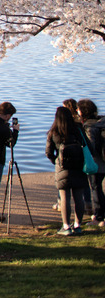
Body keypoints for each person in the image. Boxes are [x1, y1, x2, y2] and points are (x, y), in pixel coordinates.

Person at [45, 105, 86, 235]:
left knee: (64, 198)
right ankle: (78, 225)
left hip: (63, 168)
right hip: (79, 167)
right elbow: (87, 146)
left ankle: (66, 226)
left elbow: (48, 152)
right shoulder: (78, 129)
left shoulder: (54, 132)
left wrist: (56, 161)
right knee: (79, 197)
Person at [77, 99, 105, 228]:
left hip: (96, 163)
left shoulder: (89, 126)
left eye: (78, 109)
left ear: (83, 111)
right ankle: (99, 214)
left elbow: (91, 147)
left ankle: (99, 217)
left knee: (96, 188)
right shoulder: (101, 121)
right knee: (98, 188)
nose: (77, 111)